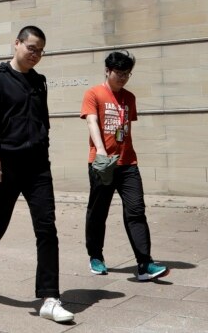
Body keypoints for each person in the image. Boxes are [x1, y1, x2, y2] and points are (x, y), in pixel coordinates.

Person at [0, 26, 74, 323]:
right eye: (32, 48)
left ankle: (50, 297)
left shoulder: (39, 82)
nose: (36, 55)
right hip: (5, 164)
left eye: (41, 50)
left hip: (38, 166)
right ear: (16, 44)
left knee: (46, 228)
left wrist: (44, 146)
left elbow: (42, 121)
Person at [81, 50, 169, 281]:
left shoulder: (130, 98)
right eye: (119, 73)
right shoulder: (94, 93)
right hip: (102, 163)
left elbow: (125, 128)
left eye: (127, 74)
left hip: (128, 162)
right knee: (98, 212)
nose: (123, 77)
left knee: (136, 210)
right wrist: (100, 149)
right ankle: (96, 256)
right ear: (107, 71)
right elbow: (91, 121)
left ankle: (144, 264)